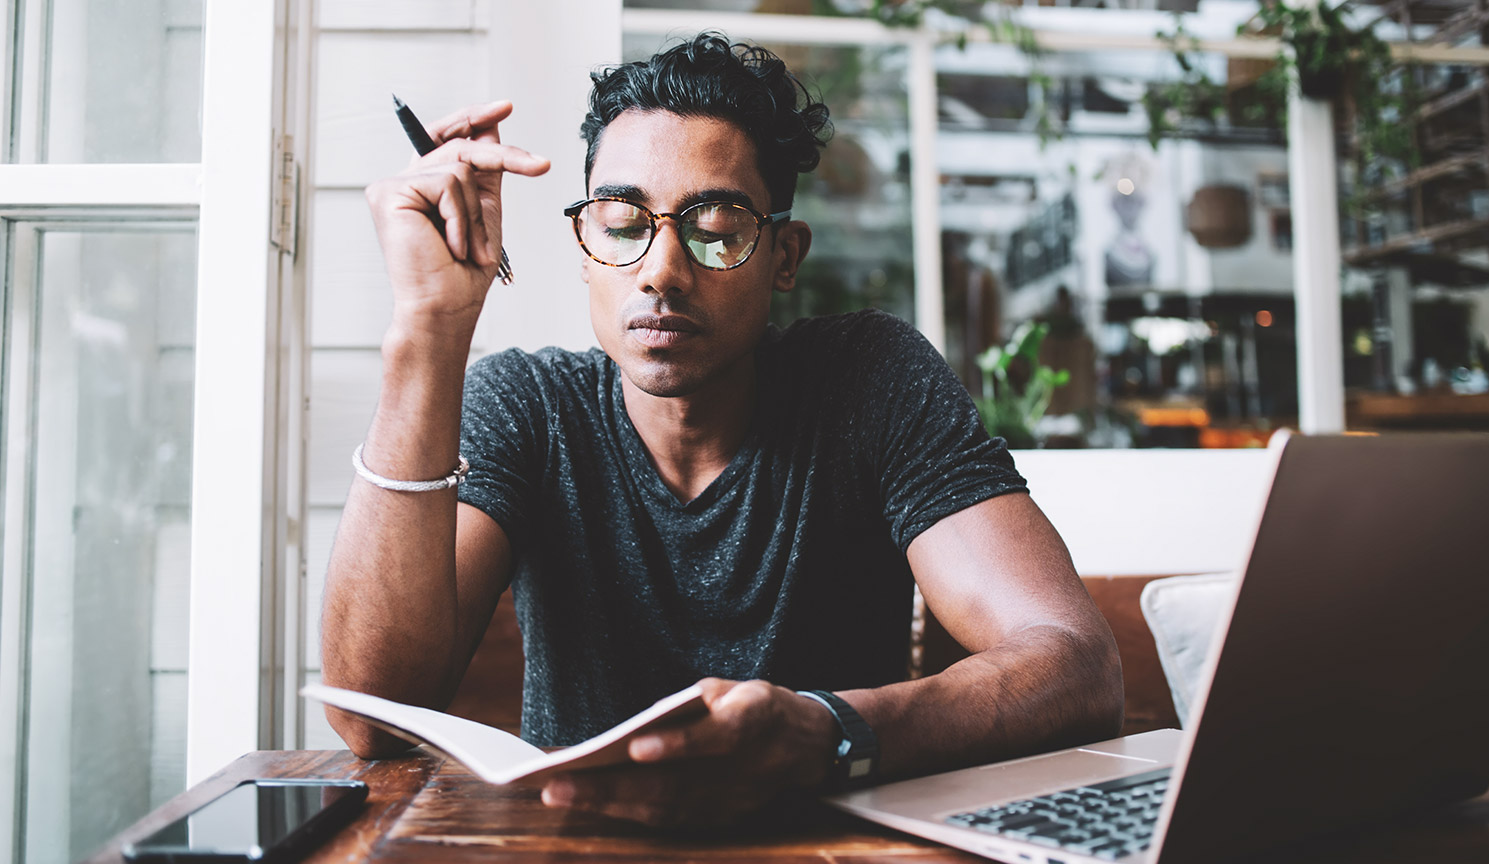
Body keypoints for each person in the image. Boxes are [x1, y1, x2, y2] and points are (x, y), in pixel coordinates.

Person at [321, 33, 1122, 827]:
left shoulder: (869, 381)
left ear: (784, 255)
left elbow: (1077, 666)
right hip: (580, 849)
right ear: (584, 246)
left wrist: (826, 731)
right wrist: (427, 327)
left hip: (830, 851)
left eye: (716, 225)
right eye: (622, 219)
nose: (662, 269)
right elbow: (370, 717)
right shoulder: (530, 408)